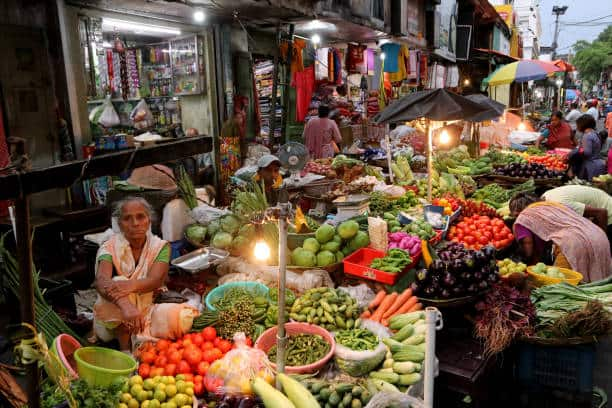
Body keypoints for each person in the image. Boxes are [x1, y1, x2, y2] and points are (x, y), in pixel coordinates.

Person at [93, 197, 170, 351]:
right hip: (112, 319)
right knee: (118, 280)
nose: (135, 223)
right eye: (127, 218)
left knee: (181, 318)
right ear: (120, 224)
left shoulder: (159, 247)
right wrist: (126, 306)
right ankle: (126, 349)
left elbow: (155, 281)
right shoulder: (109, 247)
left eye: (140, 216)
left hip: (148, 311)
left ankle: (140, 338)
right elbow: (101, 281)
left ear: (149, 220)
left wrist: (130, 285)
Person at [509, 193, 611, 282]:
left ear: (517, 212)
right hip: (599, 236)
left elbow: (528, 248)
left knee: (559, 286)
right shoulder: (554, 205)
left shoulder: (523, 217)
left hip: (573, 244)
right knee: (594, 284)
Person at [541, 185, 612, 236]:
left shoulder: (561, 203)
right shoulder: (545, 196)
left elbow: (602, 212)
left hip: (608, 213)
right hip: (599, 209)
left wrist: (603, 240)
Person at [571, 114, 606, 181]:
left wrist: (573, 153)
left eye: (578, 124)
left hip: (589, 166)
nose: (577, 126)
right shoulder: (595, 133)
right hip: (598, 164)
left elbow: (587, 153)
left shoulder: (587, 136)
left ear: (582, 124)